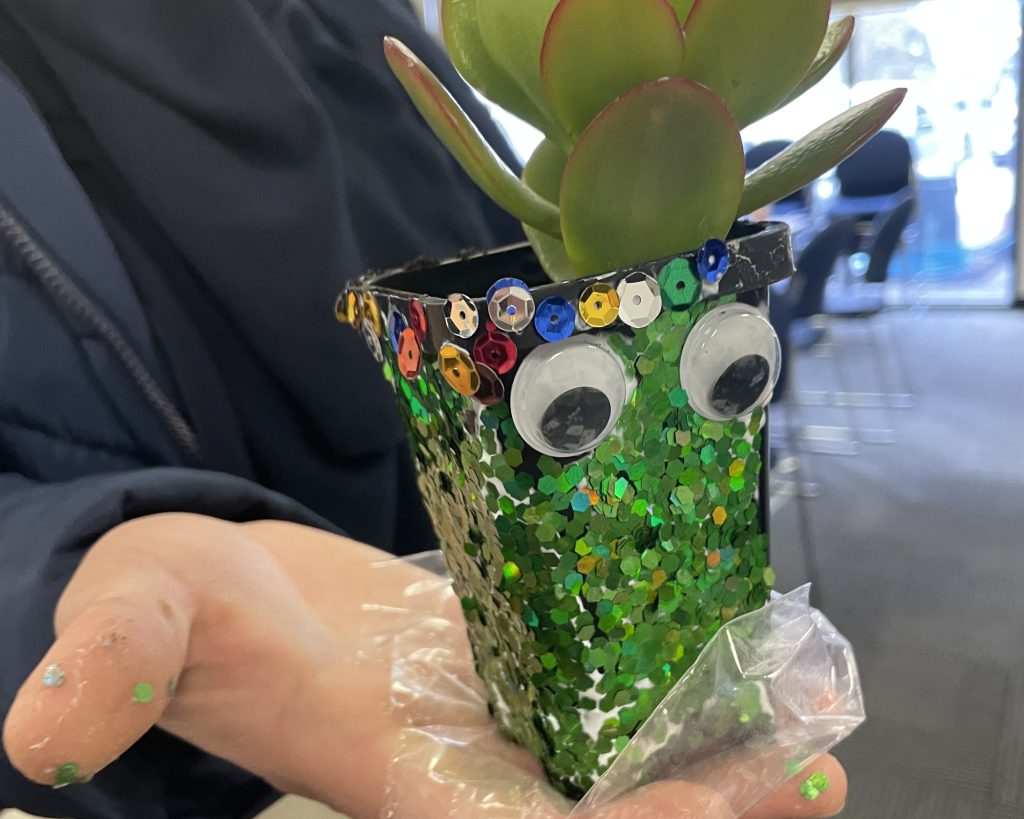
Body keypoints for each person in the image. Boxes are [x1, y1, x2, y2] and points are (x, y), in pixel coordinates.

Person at [0, 1, 848, 817]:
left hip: (453, 658)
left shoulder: (358, 25)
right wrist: (69, 553)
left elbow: (537, 246)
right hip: (249, 740)